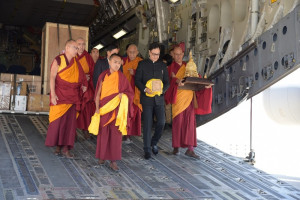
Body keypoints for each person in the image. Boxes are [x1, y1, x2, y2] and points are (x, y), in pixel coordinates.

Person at [164, 46, 212, 159]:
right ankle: (176, 147)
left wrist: (206, 85)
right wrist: (175, 80)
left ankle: (190, 149)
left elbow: (197, 78)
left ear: (183, 54)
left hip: (189, 98)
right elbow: (167, 84)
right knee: (178, 123)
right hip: (178, 99)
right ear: (172, 55)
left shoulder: (188, 65)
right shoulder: (170, 68)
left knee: (190, 124)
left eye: (180, 54)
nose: (178, 56)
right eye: (176, 54)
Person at [45, 39, 87, 158]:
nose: (77, 50)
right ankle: (58, 146)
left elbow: (81, 79)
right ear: (67, 48)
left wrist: (83, 86)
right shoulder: (58, 59)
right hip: (60, 96)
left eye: (77, 48)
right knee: (58, 123)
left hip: (73, 98)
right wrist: (52, 94)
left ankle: (66, 149)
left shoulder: (76, 63)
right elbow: (52, 77)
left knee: (69, 125)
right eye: (75, 47)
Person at [94, 53, 134, 171]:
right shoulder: (103, 75)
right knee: (103, 134)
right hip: (104, 109)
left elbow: (130, 93)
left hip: (117, 111)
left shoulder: (122, 77)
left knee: (116, 136)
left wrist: (124, 96)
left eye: (119, 62)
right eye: (114, 62)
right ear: (109, 62)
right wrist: (97, 108)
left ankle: (113, 160)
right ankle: (102, 156)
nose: (117, 64)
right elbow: (98, 94)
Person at [135, 42, 170, 159]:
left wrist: (162, 90)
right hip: (147, 99)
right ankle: (147, 150)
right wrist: (145, 89)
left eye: (158, 54)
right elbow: (137, 80)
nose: (156, 56)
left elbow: (167, 82)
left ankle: (153, 142)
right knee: (148, 124)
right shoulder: (142, 64)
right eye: (154, 54)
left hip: (159, 99)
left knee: (161, 122)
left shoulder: (162, 66)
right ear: (149, 52)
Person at [122, 44, 143, 143]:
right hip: (124, 92)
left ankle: (129, 135)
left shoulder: (141, 62)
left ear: (137, 52)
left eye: (134, 52)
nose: (132, 54)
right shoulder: (122, 61)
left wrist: (134, 73)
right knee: (123, 113)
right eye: (130, 52)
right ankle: (123, 133)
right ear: (127, 52)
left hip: (135, 93)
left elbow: (144, 77)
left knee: (132, 114)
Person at [76, 37, 96, 139]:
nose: (81, 46)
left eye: (83, 44)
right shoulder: (72, 56)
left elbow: (92, 71)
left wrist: (88, 79)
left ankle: (85, 129)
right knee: (73, 109)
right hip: (75, 88)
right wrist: (82, 77)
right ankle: (72, 132)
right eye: (79, 44)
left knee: (87, 109)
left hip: (86, 87)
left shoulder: (88, 57)